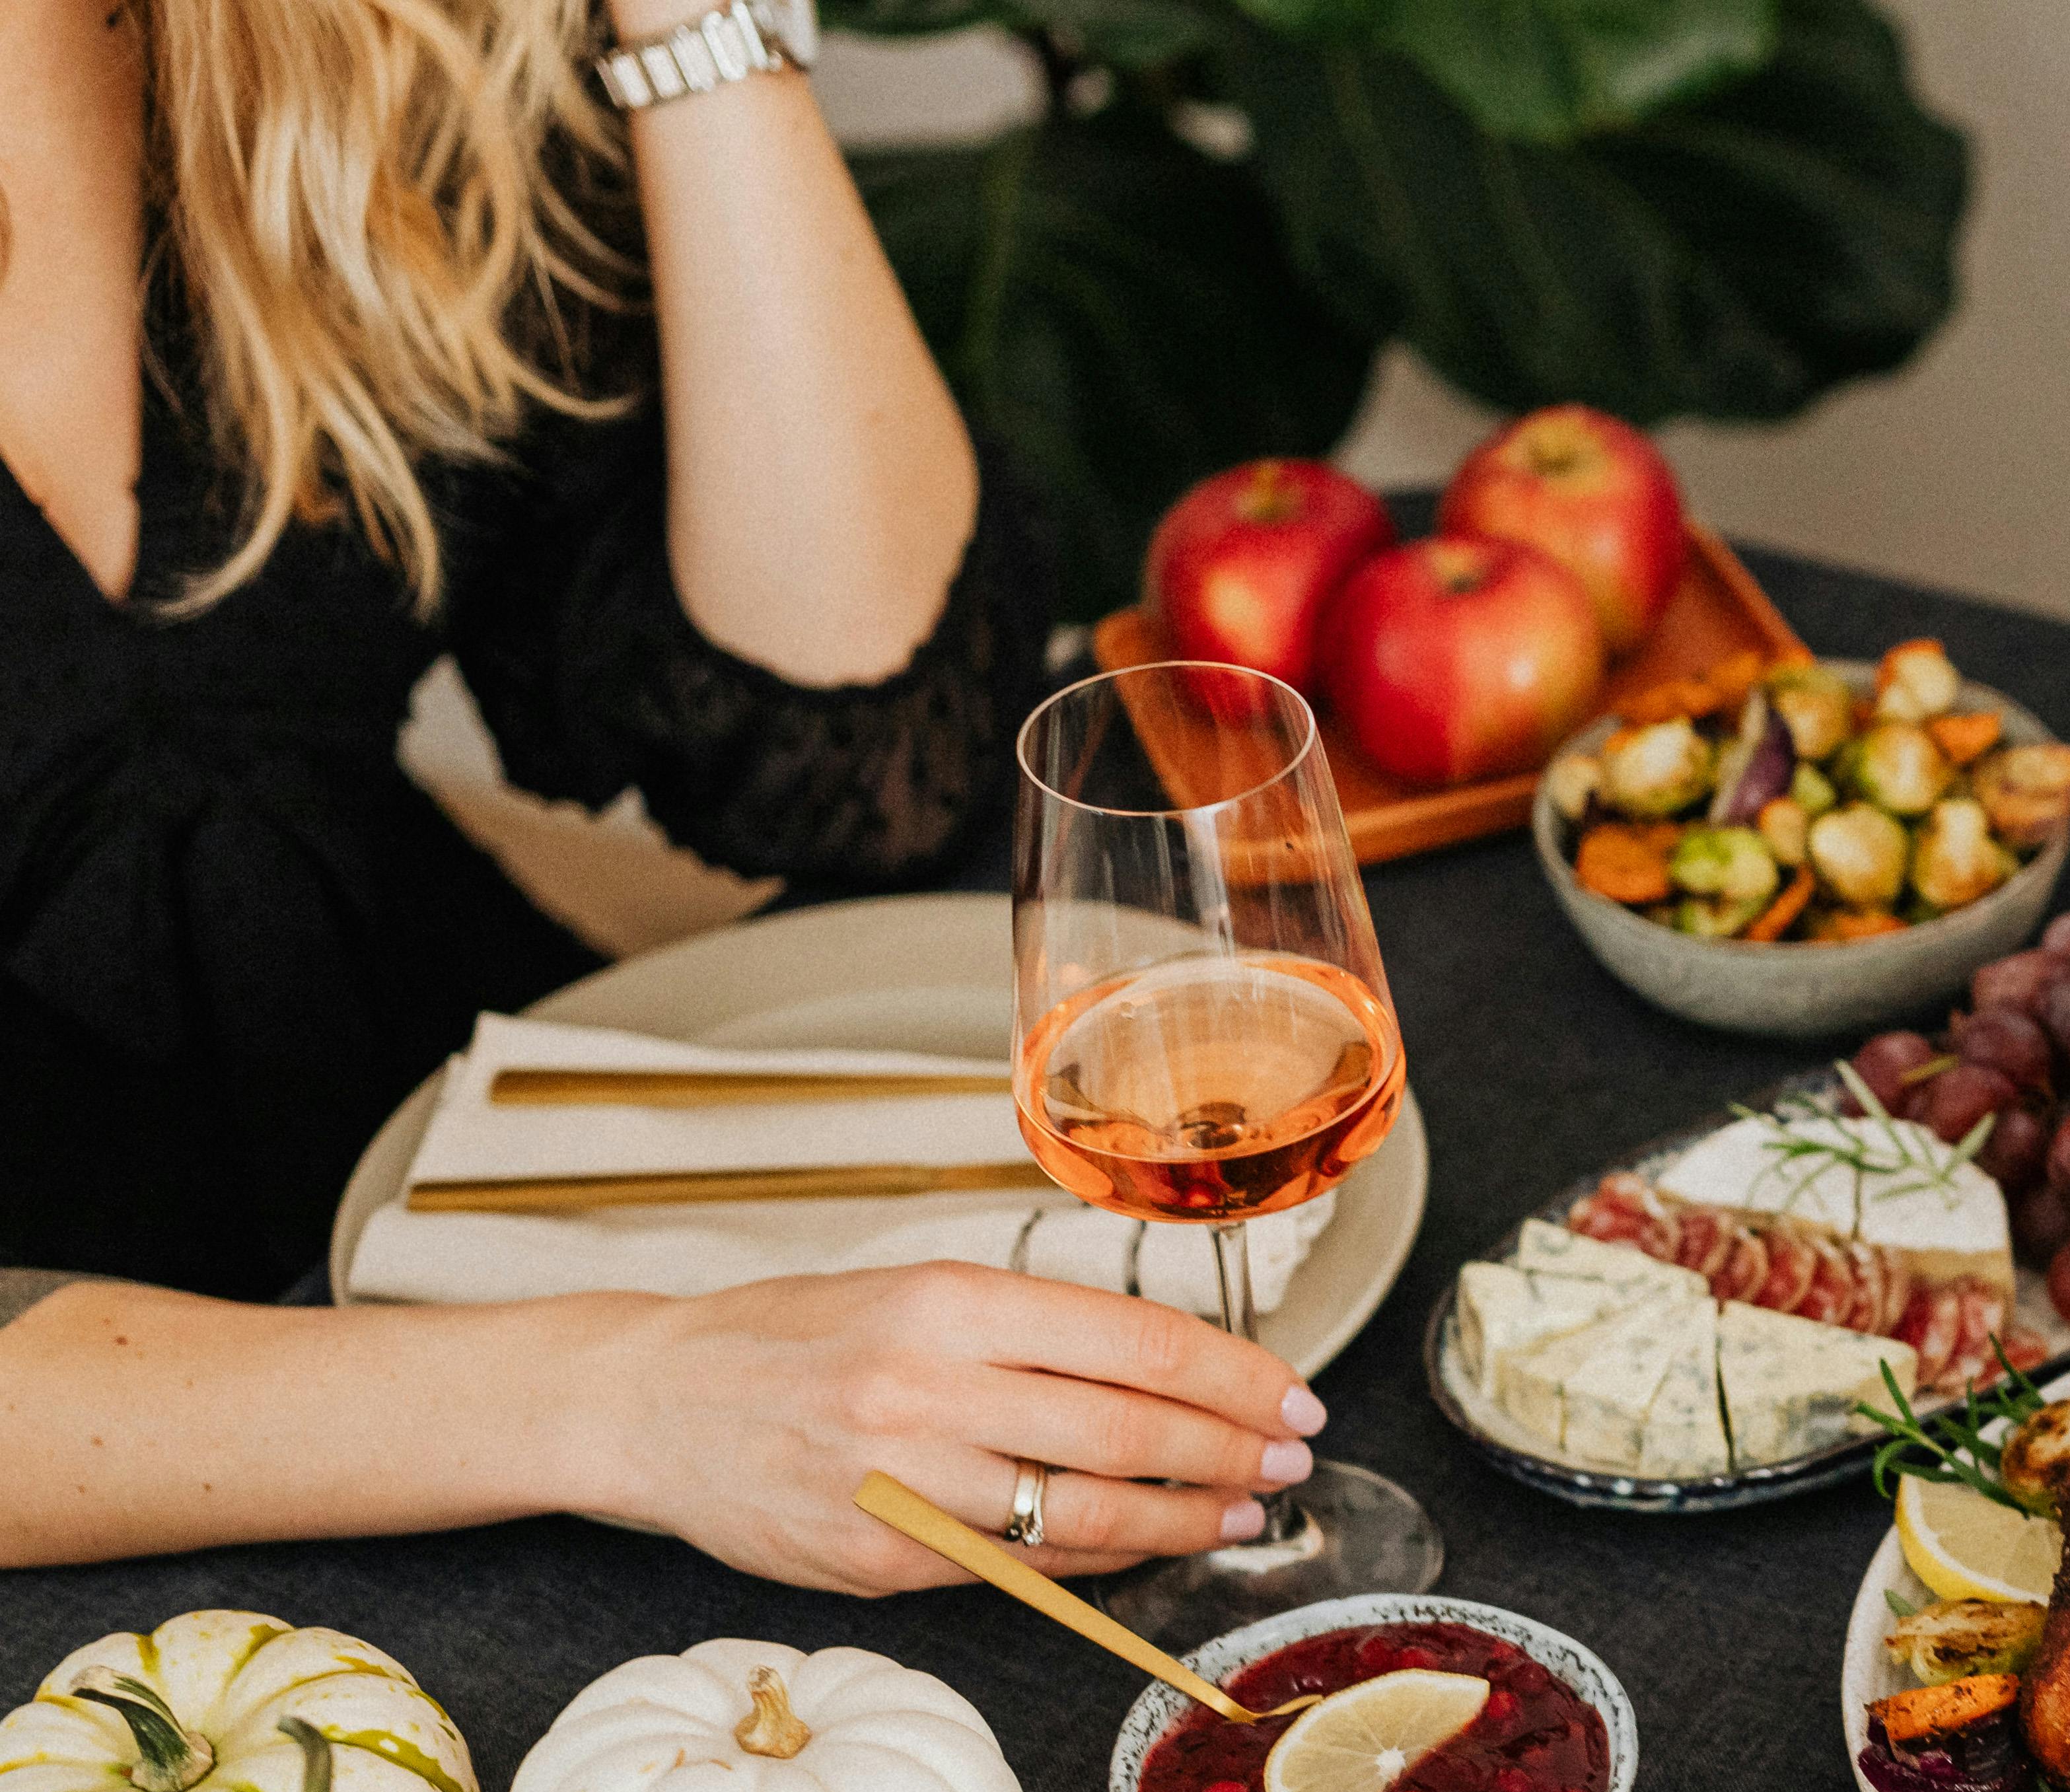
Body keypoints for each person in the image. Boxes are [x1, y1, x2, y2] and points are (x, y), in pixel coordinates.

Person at [0, 0, 1309, 1585]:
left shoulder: (329, 32)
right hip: (193, 1462)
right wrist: (626, 1396)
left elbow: (868, 753)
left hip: (467, 1193)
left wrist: (695, 25)